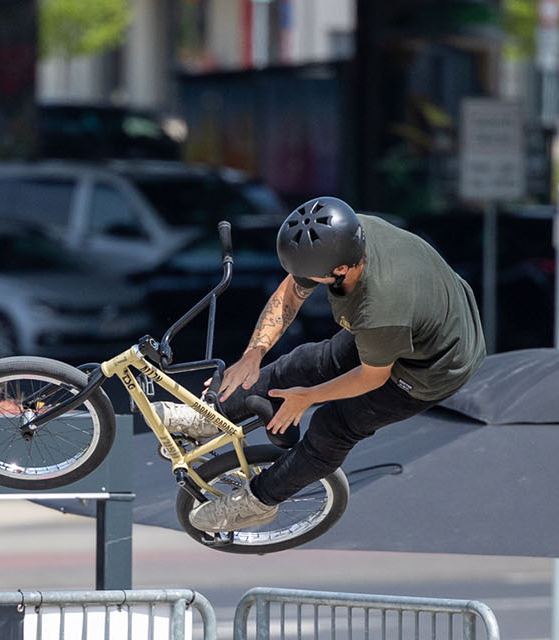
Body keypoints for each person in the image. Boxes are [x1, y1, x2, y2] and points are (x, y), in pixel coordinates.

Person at [165, 197, 486, 533]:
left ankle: (258, 503)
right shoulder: (344, 233)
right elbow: (290, 293)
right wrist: (254, 353)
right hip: (418, 315)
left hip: (434, 365)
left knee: (334, 425)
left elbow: (372, 377)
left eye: (310, 276)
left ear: (340, 270)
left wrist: (308, 397)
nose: (302, 279)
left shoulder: (380, 308)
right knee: (306, 362)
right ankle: (207, 420)